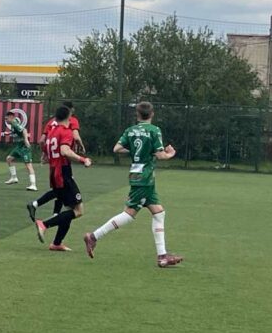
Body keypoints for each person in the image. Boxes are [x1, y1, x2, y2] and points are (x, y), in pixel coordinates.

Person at [84, 101, 183, 268]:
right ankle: (93, 236)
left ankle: (163, 256)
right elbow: (160, 155)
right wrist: (170, 154)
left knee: (159, 213)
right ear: (152, 114)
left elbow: (116, 149)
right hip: (145, 178)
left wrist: (135, 150)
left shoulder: (130, 130)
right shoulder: (154, 130)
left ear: (137, 115)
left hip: (138, 175)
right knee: (129, 214)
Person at [32, 104, 90, 251]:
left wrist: (46, 156)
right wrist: (83, 159)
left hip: (54, 173)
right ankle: (44, 224)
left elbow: (45, 145)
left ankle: (57, 243)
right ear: (69, 116)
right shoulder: (65, 131)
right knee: (79, 210)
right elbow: (65, 151)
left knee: (69, 210)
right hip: (63, 173)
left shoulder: (52, 131)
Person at [1, 110, 37, 190]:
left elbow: (24, 130)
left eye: (6, 119)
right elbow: (17, 132)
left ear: (11, 117)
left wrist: (26, 140)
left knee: (28, 165)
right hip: (19, 146)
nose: (6, 120)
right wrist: (9, 133)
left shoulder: (14, 123)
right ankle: (14, 178)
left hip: (24, 147)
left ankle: (33, 185)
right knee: (9, 159)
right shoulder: (13, 124)